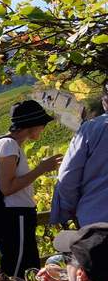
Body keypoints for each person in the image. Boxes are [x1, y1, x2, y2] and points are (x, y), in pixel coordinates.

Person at [0, 99, 61, 277]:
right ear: (32, 125)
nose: (43, 128)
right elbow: (7, 187)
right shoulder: (8, 145)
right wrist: (41, 169)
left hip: (15, 216)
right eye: (42, 124)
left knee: (26, 268)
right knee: (19, 272)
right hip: (15, 215)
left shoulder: (7, 145)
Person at [50, 87, 108, 228]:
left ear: (105, 102)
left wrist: (69, 208)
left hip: (97, 222)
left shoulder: (91, 129)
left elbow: (67, 176)